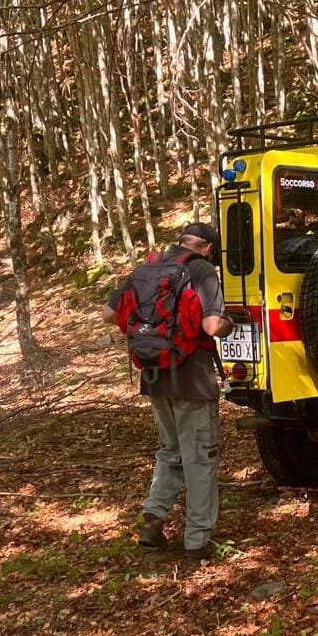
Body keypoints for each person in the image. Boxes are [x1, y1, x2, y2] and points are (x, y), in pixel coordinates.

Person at [106, 221, 233, 562]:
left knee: (169, 451)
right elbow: (210, 326)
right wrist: (228, 321)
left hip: (154, 376)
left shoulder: (147, 268)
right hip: (192, 378)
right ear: (207, 247)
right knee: (200, 457)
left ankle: (152, 523)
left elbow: (109, 313)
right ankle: (196, 541)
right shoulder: (203, 270)